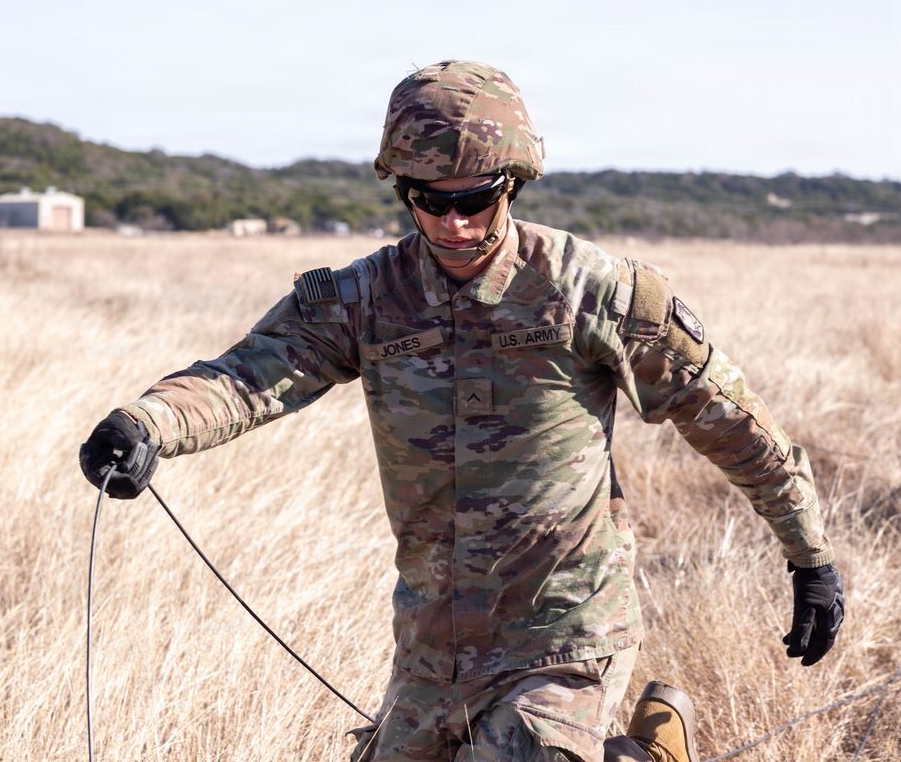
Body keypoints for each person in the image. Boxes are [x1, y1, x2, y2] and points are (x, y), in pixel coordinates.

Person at [80, 60, 844, 762]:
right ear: (402, 190)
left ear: (512, 182)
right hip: (433, 644)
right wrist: (149, 423)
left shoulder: (591, 291)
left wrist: (809, 557)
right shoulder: (366, 297)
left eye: (475, 201)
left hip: (564, 632)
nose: (454, 225)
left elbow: (729, 418)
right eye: (429, 203)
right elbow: (250, 375)